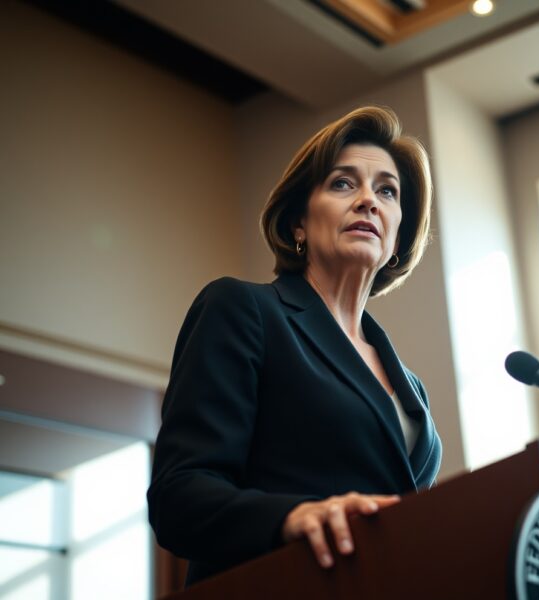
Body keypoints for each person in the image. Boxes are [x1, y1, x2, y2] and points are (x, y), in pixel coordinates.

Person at [147, 106, 442, 587]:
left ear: (398, 236)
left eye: (387, 191)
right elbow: (179, 497)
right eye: (343, 183)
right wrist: (292, 518)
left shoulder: (412, 388)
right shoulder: (243, 310)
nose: (369, 201)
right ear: (298, 223)